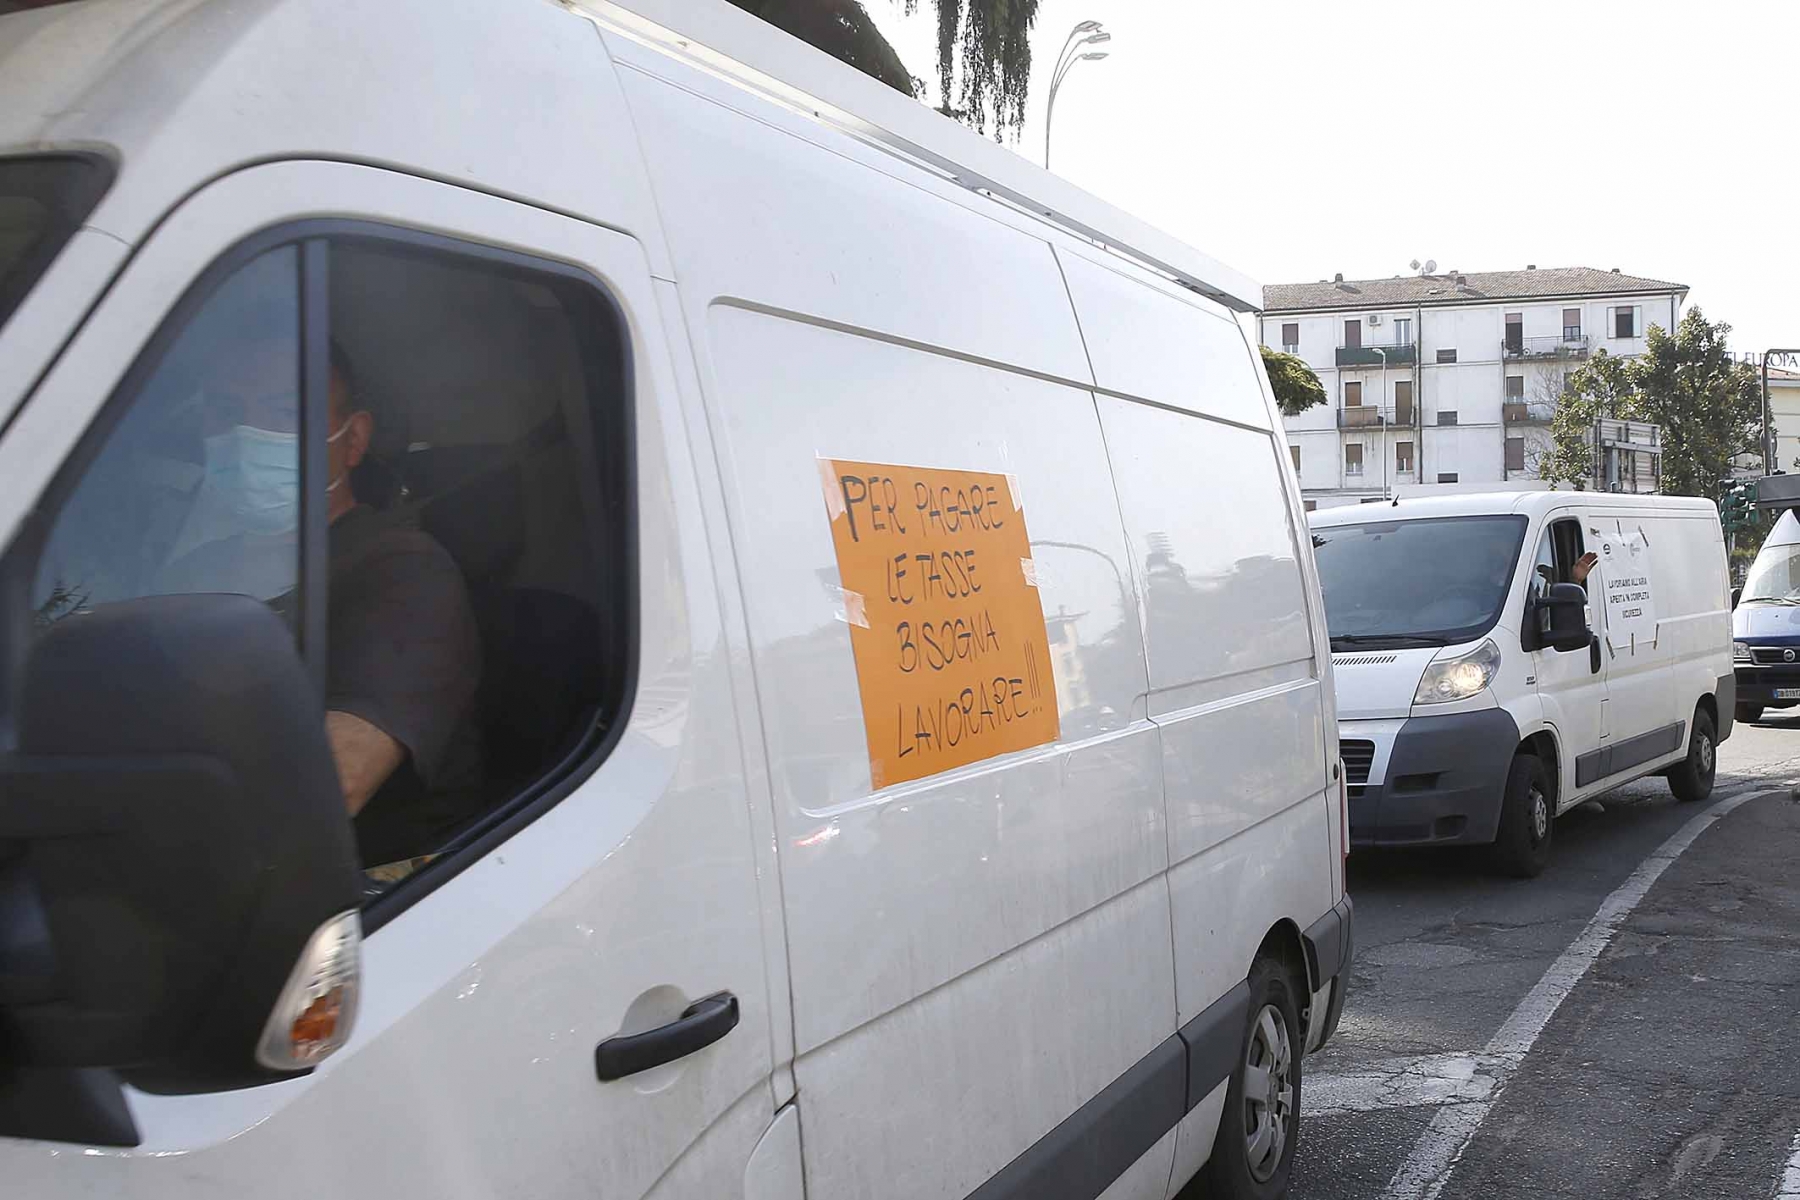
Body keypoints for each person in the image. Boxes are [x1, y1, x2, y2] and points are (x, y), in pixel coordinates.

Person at [320, 343, 485, 871]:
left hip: (382, 894)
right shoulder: (215, 563)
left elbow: (331, 782)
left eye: (282, 415)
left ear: (353, 439)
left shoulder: (404, 568)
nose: (242, 432)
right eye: (224, 412)